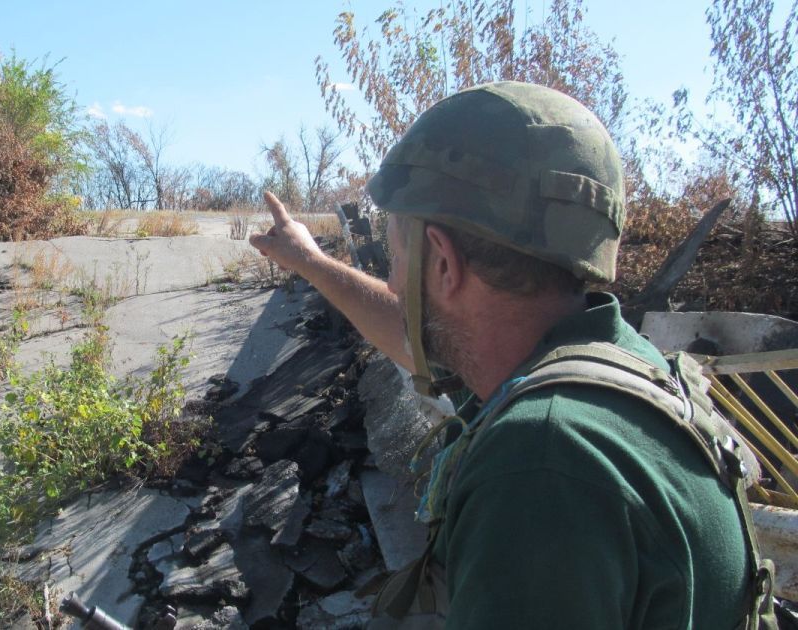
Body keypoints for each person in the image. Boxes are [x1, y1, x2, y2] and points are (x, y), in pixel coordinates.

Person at [249, 82, 772, 628]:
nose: (394, 282)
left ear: (443, 263)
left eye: (397, 256)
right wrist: (309, 260)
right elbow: (411, 332)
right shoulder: (612, 367)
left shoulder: (540, 465)